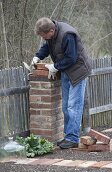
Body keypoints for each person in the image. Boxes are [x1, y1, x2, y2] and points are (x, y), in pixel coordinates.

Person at [31, 17, 91, 149]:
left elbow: (71, 57)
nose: (44, 38)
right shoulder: (52, 36)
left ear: (51, 30)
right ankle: (68, 136)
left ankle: (73, 138)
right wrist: (38, 56)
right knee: (65, 106)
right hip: (66, 71)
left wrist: (55, 66)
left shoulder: (67, 35)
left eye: (44, 36)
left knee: (73, 106)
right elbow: (47, 47)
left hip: (78, 71)